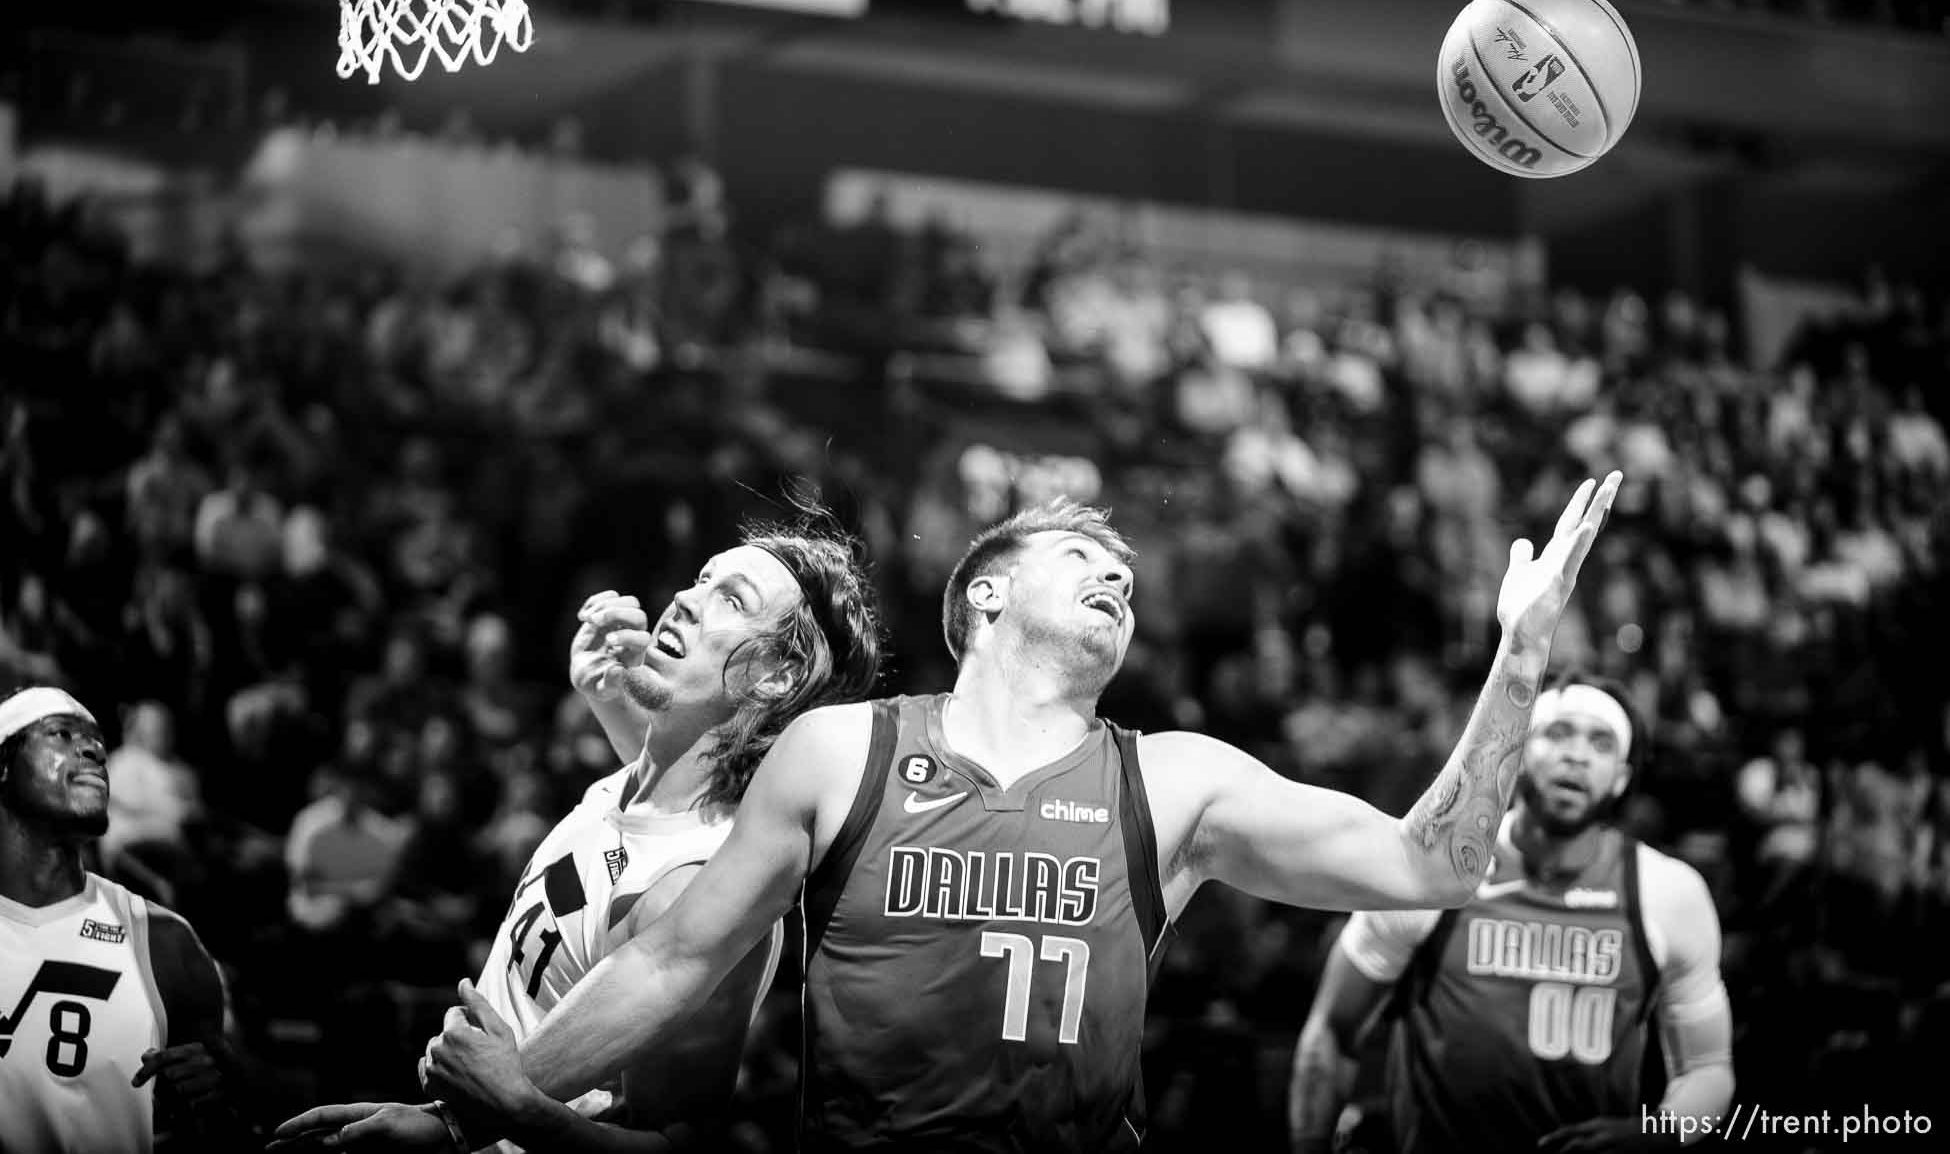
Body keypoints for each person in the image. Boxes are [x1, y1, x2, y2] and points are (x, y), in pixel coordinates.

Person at [423, 475, 1623, 1152]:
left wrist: (1519, 658)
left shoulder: (1175, 779)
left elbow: (1443, 864)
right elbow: (669, 959)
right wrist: (461, 1118)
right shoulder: (841, 750)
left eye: (1130, 582)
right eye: (1084, 560)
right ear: (986, 592)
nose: (1119, 580)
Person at [272, 519, 884, 1151]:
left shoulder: (693, 888)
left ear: (776, 677)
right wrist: (606, 694)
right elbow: (646, 821)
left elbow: (677, 1144)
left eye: (731, 600)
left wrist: (491, 1116)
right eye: (702, 579)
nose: (685, 600)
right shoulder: (645, 790)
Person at [1287, 672, 1735, 1153]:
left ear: (1622, 777)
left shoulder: (1666, 893)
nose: (1577, 755)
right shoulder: (1439, 869)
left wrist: (1656, 1133)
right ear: (1518, 755)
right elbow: (1331, 1034)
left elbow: (1707, 1070)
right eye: (1558, 734)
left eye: (1601, 743)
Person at [0, 685, 248, 1154]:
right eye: (61, 734)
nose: (94, 748)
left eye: (96, 740)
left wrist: (216, 1100)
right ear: (3, 768)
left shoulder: (165, 942)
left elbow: (233, 1127)